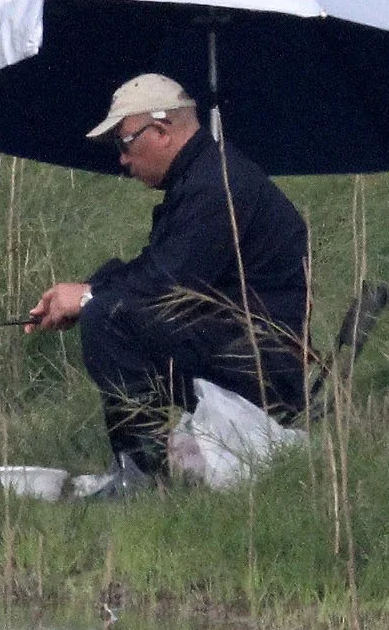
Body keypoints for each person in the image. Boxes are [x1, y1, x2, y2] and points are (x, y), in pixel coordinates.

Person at [26, 73, 308, 496]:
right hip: (248, 344)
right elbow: (156, 268)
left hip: (265, 364)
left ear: (161, 131)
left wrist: (88, 299)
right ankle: (140, 469)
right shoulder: (204, 178)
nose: (121, 159)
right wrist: (87, 288)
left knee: (109, 317)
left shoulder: (218, 186)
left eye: (124, 142)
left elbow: (167, 285)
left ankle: (140, 476)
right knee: (109, 307)